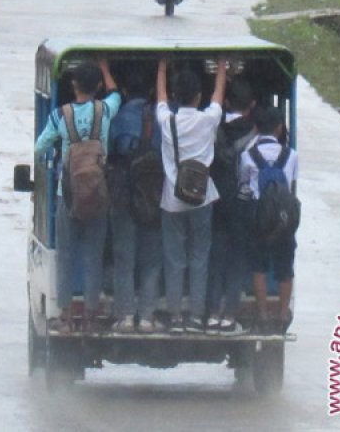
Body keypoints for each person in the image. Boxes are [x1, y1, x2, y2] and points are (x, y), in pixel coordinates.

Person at [35, 60, 120, 333]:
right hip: (98, 194)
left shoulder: (60, 115)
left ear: (73, 85)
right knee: (94, 256)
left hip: (67, 195)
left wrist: (57, 157)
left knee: (66, 256)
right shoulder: (105, 110)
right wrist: (105, 69)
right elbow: (116, 92)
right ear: (97, 86)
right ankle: (92, 317)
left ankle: (67, 316)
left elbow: (39, 147)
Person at [155, 57, 226, 334]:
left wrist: (161, 68)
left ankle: (174, 316)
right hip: (203, 198)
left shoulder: (167, 122)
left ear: (175, 96)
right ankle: (196, 316)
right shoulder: (208, 120)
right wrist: (221, 69)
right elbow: (218, 98)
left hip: (172, 201)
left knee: (174, 258)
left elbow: (160, 100)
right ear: (199, 96)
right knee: (199, 256)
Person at [107, 71, 164, 333]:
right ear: (152, 93)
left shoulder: (118, 118)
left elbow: (107, 153)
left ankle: (126, 315)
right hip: (154, 196)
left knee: (124, 257)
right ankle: (148, 317)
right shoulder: (164, 119)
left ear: (126, 94)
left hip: (124, 196)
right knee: (151, 260)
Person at [237, 106, 299, 334]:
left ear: (256, 128)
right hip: (284, 220)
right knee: (285, 268)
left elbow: (243, 186)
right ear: (280, 128)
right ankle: (282, 315)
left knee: (259, 267)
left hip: (259, 218)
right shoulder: (290, 155)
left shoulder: (247, 156)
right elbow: (291, 187)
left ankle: (262, 314)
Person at [207, 79, 257, 336]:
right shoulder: (258, 133)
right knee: (237, 259)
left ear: (225, 103)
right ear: (253, 105)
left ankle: (213, 311)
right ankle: (230, 314)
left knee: (215, 258)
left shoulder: (214, 127)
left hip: (216, 201)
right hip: (242, 205)